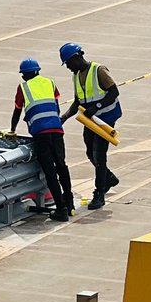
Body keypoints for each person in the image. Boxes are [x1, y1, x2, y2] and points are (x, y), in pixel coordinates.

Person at [59, 43, 122, 211]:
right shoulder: (76, 75)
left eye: (69, 63)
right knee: (89, 152)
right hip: (91, 121)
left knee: (99, 155)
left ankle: (100, 192)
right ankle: (108, 178)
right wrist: (64, 117)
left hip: (105, 119)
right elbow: (78, 101)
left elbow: (114, 92)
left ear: (77, 57)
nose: (69, 68)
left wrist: (98, 106)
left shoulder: (98, 70)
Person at [10, 58, 74, 222]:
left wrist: (12, 130)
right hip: (57, 129)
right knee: (61, 165)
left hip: (40, 133)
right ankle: (70, 203)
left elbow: (17, 111)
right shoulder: (50, 83)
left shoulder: (23, 87)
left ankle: (61, 209)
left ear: (24, 75)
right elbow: (56, 105)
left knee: (50, 171)